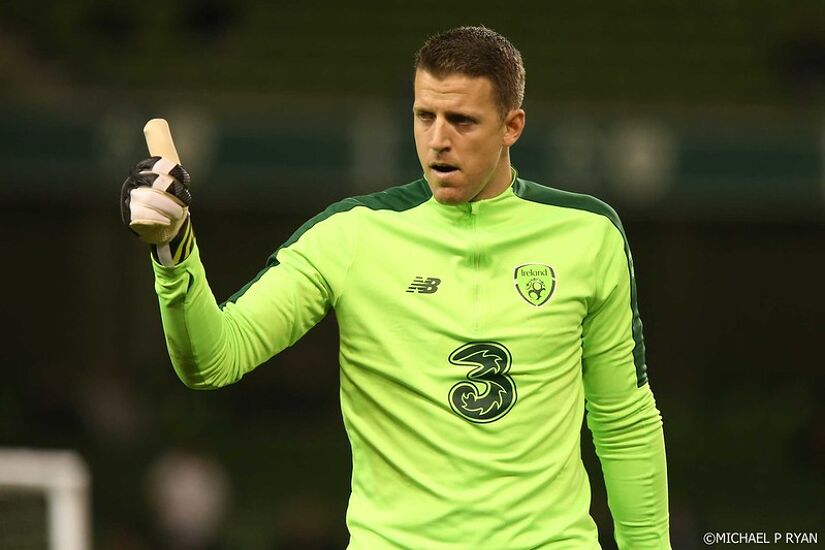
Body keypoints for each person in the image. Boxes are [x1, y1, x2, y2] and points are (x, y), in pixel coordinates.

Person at [121, 26, 671, 549]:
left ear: (512, 126)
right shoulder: (351, 234)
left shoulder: (587, 233)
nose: (438, 141)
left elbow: (623, 420)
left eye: (461, 120)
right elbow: (213, 360)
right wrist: (173, 251)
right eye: (423, 115)